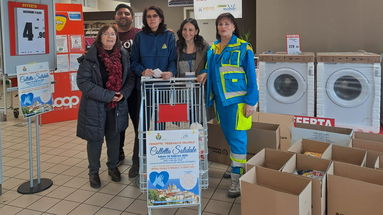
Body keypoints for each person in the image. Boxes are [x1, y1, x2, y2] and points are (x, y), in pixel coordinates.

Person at [197, 13, 259, 198]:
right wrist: (205, 72)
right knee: (229, 136)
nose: (223, 27)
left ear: (233, 27)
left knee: (238, 138)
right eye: (220, 24)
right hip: (219, 101)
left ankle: (237, 180)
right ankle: (234, 167)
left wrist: (251, 102)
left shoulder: (243, 47)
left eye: (227, 24)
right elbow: (212, 67)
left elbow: (252, 76)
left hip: (237, 102)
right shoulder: (214, 48)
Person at [76, 24, 135, 188]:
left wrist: (123, 93)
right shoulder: (91, 57)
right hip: (95, 106)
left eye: (113, 34)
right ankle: (93, 172)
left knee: (114, 137)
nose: (110, 37)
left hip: (117, 106)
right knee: (95, 140)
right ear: (100, 37)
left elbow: (130, 78)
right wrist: (109, 95)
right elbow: (83, 83)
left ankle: (113, 167)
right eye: (106, 34)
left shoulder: (123, 55)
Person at [130, 5, 177, 178]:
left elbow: (173, 59)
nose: (152, 19)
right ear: (145, 19)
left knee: (160, 126)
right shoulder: (140, 37)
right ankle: (138, 162)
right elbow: (133, 61)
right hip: (144, 89)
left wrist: (171, 72)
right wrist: (143, 71)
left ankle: (159, 159)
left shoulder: (169, 36)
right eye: (149, 16)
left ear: (161, 18)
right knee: (142, 127)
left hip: (163, 89)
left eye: (155, 16)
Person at [114, 3, 141, 178]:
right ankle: (118, 153)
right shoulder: (109, 34)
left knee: (139, 124)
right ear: (115, 17)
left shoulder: (139, 34)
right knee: (118, 124)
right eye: (120, 13)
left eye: (126, 13)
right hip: (116, 88)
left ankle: (137, 161)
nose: (123, 15)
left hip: (137, 87)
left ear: (132, 17)